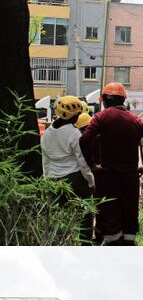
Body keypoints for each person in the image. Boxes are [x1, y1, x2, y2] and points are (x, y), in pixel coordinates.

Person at [79, 83, 143, 246]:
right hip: (130, 177)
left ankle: (113, 246)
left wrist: (92, 165)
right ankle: (128, 245)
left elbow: (84, 140)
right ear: (124, 100)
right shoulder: (136, 120)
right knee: (130, 211)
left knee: (110, 211)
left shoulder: (100, 117)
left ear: (104, 99)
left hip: (107, 177)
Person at [41, 95, 96, 243]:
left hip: (53, 181)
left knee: (60, 214)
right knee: (85, 213)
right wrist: (91, 182)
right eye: (78, 114)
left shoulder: (47, 133)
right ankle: (85, 242)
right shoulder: (74, 133)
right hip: (75, 179)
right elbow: (82, 162)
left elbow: (45, 160)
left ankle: (60, 241)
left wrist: (47, 179)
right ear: (74, 115)